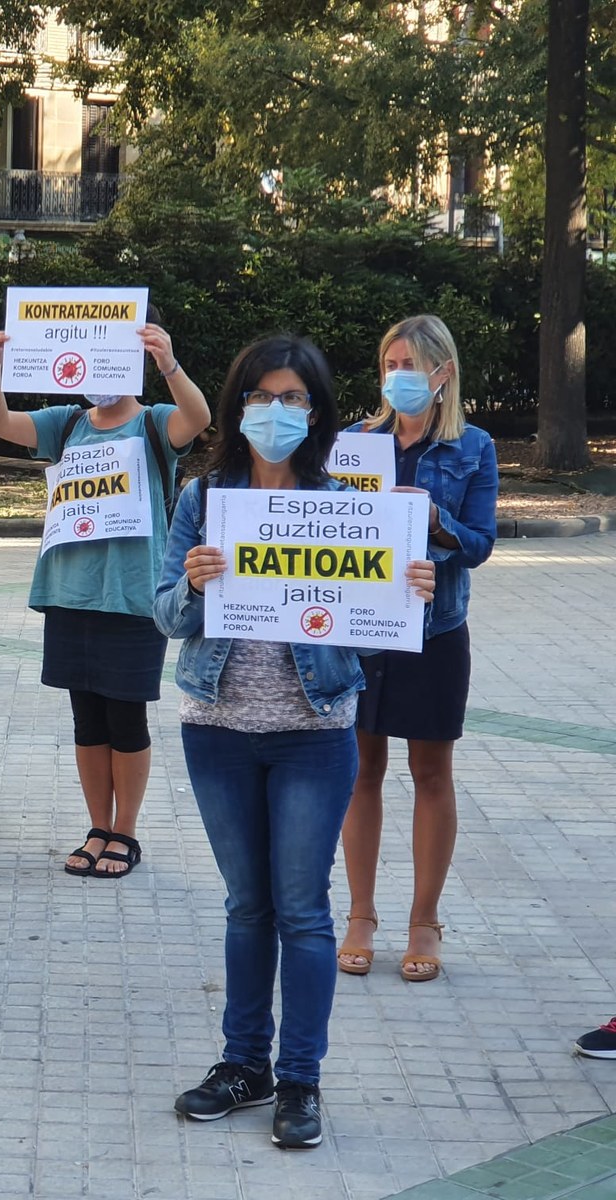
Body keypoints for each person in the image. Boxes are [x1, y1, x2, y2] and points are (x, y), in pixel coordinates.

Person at [155, 335, 436, 1150]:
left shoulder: (348, 500)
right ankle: (244, 1066)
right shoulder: (204, 499)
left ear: (316, 412)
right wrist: (200, 585)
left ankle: (300, 1080)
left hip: (314, 734)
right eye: (262, 396)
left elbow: (373, 637)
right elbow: (165, 614)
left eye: (294, 399)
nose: (276, 412)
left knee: (305, 913)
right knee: (249, 907)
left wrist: (408, 593)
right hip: (217, 730)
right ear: (239, 403)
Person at [0, 310, 209, 879]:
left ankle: (125, 833)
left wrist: (170, 364)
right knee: (86, 720)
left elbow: (199, 418)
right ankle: (97, 827)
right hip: (70, 594)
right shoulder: (68, 422)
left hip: (132, 598)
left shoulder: (156, 422)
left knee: (126, 720)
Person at [336, 315, 498, 984]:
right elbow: (321, 526)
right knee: (359, 770)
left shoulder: (474, 447)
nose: (397, 376)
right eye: (388, 363)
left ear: (442, 374)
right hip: (361, 629)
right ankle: (361, 914)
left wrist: (437, 525)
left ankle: (424, 921)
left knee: (431, 773)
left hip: (433, 632)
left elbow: (482, 542)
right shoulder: (353, 442)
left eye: (410, 365)